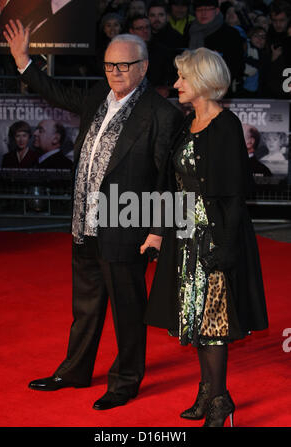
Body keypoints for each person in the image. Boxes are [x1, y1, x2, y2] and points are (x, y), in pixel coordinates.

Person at [3, 20, 182, 410]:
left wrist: (157, 231)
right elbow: (56, 91)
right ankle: (74, 371)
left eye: (123, 66)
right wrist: (23, 61)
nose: (114, 73)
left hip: (127, 225)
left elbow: (169, 178)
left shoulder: (160, 114)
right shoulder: (99, 94)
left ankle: (126, 380)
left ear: (144, 66)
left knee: (128, 309)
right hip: (85, 222)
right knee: (84, 306)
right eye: (108, 65)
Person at [142, 47, 268, 427]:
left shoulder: (225, 125)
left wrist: (225, 249)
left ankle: (219, 402)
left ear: (201, 80)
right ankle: (209, 390)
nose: (177, 84)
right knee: (194, 316)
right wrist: (159, 232)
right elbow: (172, 184)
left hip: (213, 238)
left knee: (213, 320)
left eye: (183, 77)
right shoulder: (188, 122)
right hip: (185, 235)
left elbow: (232, 195)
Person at [188, 0, 245, 95]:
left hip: (221, 92)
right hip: (192, 90)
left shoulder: (230, 34)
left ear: (217, 10)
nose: (203, 13)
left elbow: (237, 67)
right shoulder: (189, 32)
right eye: (199, 10)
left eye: (208, 9)